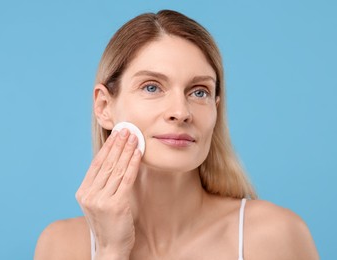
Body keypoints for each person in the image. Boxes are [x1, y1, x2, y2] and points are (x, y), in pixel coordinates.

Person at [34, 10, 319, 260]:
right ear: (104, 106)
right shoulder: (61, 245)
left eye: (199, 92)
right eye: (152, 87)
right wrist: (110, 252)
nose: (181, 112)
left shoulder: (274, 236)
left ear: (216, 108)